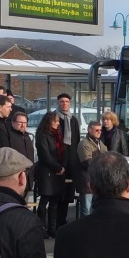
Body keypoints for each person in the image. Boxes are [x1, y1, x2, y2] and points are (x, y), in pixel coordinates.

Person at [34, 110, 66, 238]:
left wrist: (62, 167)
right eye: (56, 121)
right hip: (47, 172)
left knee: (54, 202)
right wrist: (57, 167)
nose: (58, 124)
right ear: (49, 122)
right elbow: (44, 155)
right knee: (44, 200)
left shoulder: (57, 134)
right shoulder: (42, 135)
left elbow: (63, 151)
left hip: (58, 172)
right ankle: (41, 227)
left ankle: (52, 228)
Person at [55, 94, 80, 226]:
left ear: (70, 103)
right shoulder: (54, 119)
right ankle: (54, 222)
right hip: (58, 161)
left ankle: (63, 220)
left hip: (70, 162)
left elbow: (76, 141)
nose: (64, 104)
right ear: (58, 103)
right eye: (61, 101)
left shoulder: (73, 120)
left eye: (66, 101)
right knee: (57, 194)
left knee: (67, 194)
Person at [74, 119, 107, 217]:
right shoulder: (84, 143)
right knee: (86, 210)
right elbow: (87, 162)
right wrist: (103, 162)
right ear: (89, 130)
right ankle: (84, 231)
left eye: (101, 130)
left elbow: (107, 157)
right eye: (97, 130)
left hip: (97, 180)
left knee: (95, 208)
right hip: (86, 181)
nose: (99, 132)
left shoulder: (100, 143)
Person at [6, 109, 36, 196]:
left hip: (27, 178)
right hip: (15, 179)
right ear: (13, 122)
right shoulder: (9, 136)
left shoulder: (27, 136)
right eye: (20, 122)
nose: (23, 125)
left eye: (25, 123)